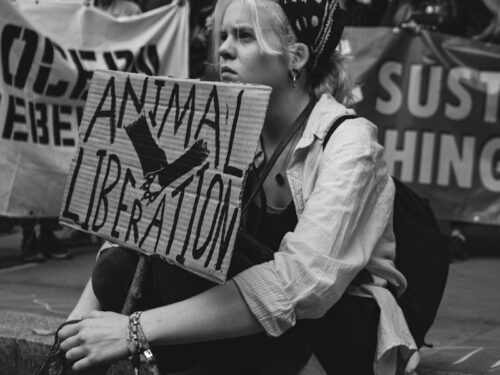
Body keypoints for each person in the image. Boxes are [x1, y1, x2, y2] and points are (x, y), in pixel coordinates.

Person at [58, 0, 418, 374]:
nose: (224, 48)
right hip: (254, 339)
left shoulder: (351, 143)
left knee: (187, 242)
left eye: (245, 36)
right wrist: (76, 328)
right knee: (149, 245)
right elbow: (138, 224)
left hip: (333, 332)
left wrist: (132, 331)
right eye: (225, 35)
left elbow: (298, 285)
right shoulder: (221, 124)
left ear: (296, 57)